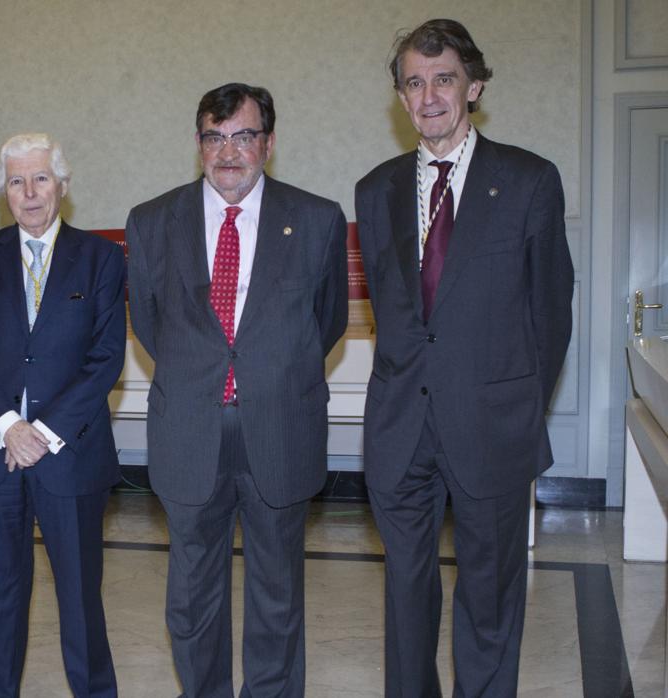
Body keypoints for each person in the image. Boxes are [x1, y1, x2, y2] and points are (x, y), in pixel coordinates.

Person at [355, 19, 575, 696]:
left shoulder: (530, 180)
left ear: (473, 85)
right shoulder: (374, 189)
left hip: (493, 426)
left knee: (489, 599)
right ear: (400, 96)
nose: (428, 96)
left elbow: (552, 313)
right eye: (413, 83)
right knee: (405, 598)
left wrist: (516, 407)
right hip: (400, 430)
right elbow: (392, 312)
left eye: (443, 78)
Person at [126, 83, 347, 697]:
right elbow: (150, 324)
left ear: (268, 144)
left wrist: (266, 372)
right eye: (214, 138)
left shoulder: (317, 219)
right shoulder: (150, 221)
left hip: (280, 425)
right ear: (198, 145)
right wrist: (206, 372)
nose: (229, 152)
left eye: (243, 136)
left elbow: (322, 324)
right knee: (192, 600)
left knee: (277, 595)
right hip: (189, 429)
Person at [0, 133, 124, 697]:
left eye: (41, 178)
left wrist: (41, 434)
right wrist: (9, 427)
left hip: (69, 455)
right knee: (0, 595)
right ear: (4, 192)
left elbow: (104, 359)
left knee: (79, 596)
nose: (29, 193)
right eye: (17, 181)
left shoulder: (100, 258)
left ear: (63, 186)